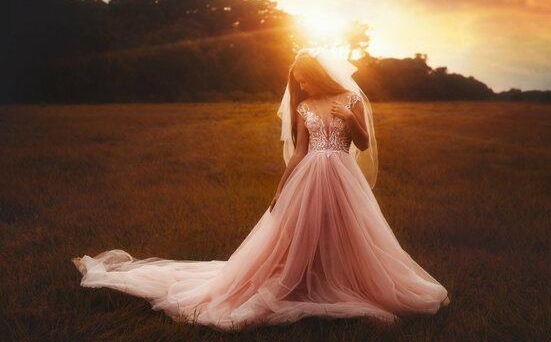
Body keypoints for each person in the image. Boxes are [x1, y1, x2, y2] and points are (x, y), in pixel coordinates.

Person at [71, 47, 450, 332]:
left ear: (319, 73)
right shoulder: (305, 109)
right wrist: (280, 189)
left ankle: (342, 279)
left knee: (348, 233)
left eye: (304, 78)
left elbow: (364, 145)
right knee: (298, 235)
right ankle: (303, 280)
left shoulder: (350, 100)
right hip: (309, 177)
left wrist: (350, 118)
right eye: (297, 81)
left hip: (342, 174)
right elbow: (300, 153)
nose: (300, 85)